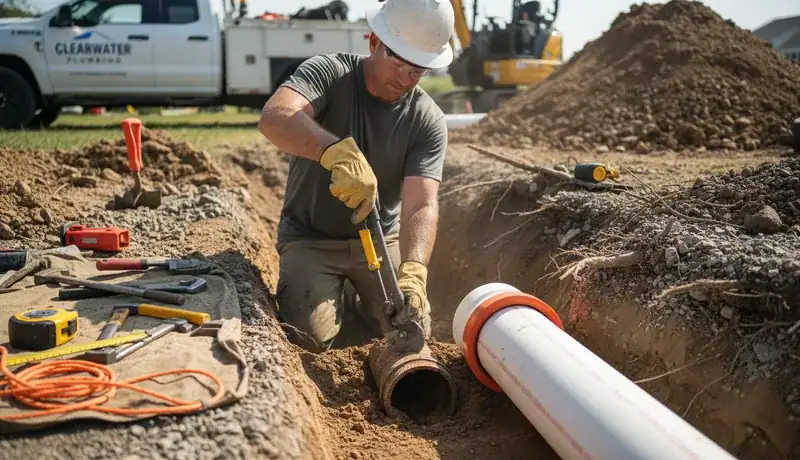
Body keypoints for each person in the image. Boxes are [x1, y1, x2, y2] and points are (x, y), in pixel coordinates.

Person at [257, 0, 455, 352]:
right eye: (400, 63)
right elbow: (275, 117)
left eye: (419, 70)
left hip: (379, 242)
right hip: (311, 239)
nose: (407, 79)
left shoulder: (427, 119)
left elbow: (421, 204)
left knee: (411, 329)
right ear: (374, 42)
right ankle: (336, 298)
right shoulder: (330, 73)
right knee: (310, 343)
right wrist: (335, 153)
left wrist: (413, 271)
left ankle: (356, 307)